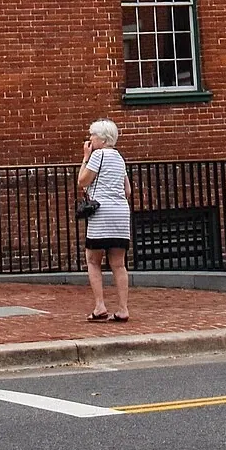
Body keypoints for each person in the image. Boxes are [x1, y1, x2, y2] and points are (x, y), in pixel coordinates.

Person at [78, 118, 133, 323]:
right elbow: (127, 190)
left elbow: (82, 180)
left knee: (93, 259)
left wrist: (85, 158)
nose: (90, 139)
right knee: (118, 263)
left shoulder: (97, 155)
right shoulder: (119, 158)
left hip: (101, 213)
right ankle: (123, 308)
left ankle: (100, 305)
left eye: (92, 135)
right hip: (120, 213)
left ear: (102, 139)